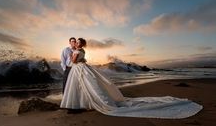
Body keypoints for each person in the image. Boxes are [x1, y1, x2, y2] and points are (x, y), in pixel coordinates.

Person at [60, 38, 203, 119]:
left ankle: (79, 104)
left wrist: (74, 58)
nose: (76, 43)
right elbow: (81, 59)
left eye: (78, 42)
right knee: (87, 86)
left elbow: (73, 62)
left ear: (80, 44)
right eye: (76, 42)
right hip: (83, 68)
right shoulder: (83, 51)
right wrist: (80, 60)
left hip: (78, 69)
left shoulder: (77, 51)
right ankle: (83, 103)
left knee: (82, 86)